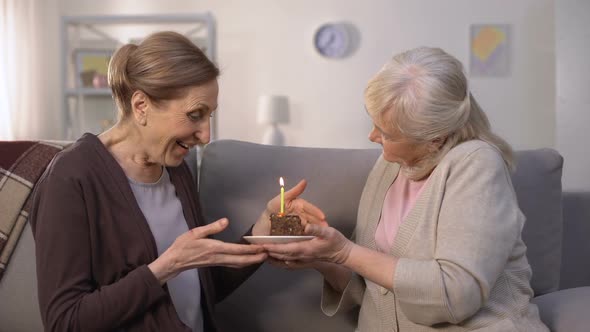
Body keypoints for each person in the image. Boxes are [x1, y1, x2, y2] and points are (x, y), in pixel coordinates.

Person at [30, 31, 325, 332]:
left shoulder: (176, 167)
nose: (206, 135)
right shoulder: (71, 178)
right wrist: (165, 267)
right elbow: (65, 322)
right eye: (195, 114)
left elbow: (203, 289)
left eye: (209, 116)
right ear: (141, 105)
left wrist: (262, 229)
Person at [264, 47, 549, 331]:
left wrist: (345, 252)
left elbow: (455, 295)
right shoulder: (390, 166)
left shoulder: (476, 163)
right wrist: (321, 256)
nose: (372, 136)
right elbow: (371, 288)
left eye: (386, 133)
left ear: (435, 139)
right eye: (374, 123)